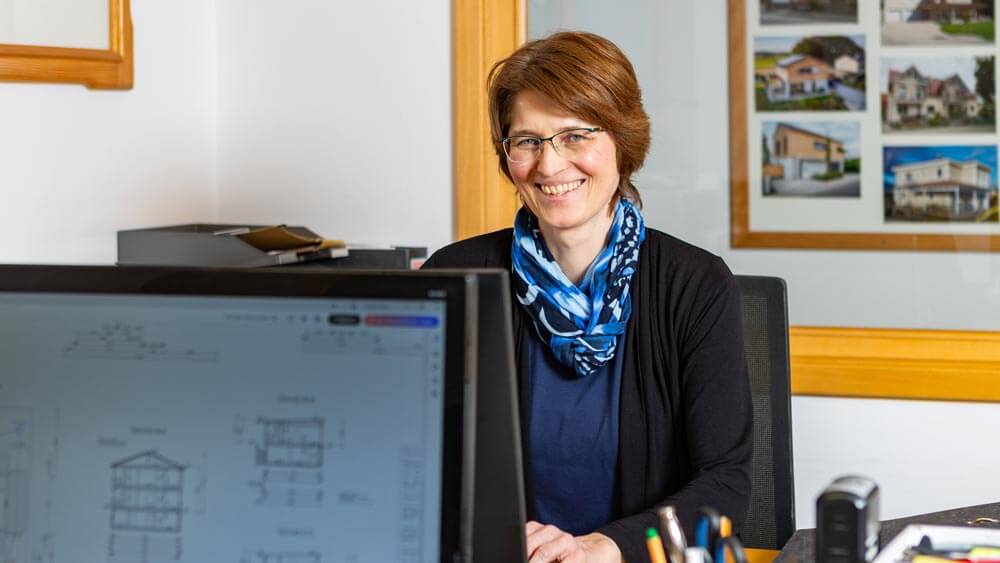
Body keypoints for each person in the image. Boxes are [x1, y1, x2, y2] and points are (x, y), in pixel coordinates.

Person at [423, 31, 751, 563]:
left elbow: (726, 483)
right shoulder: (457, 277)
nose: (550, 166)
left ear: (622, 140)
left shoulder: (695, 284)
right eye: (527, 141)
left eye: (575, 136)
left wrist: (607, 547)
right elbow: (417, 460)